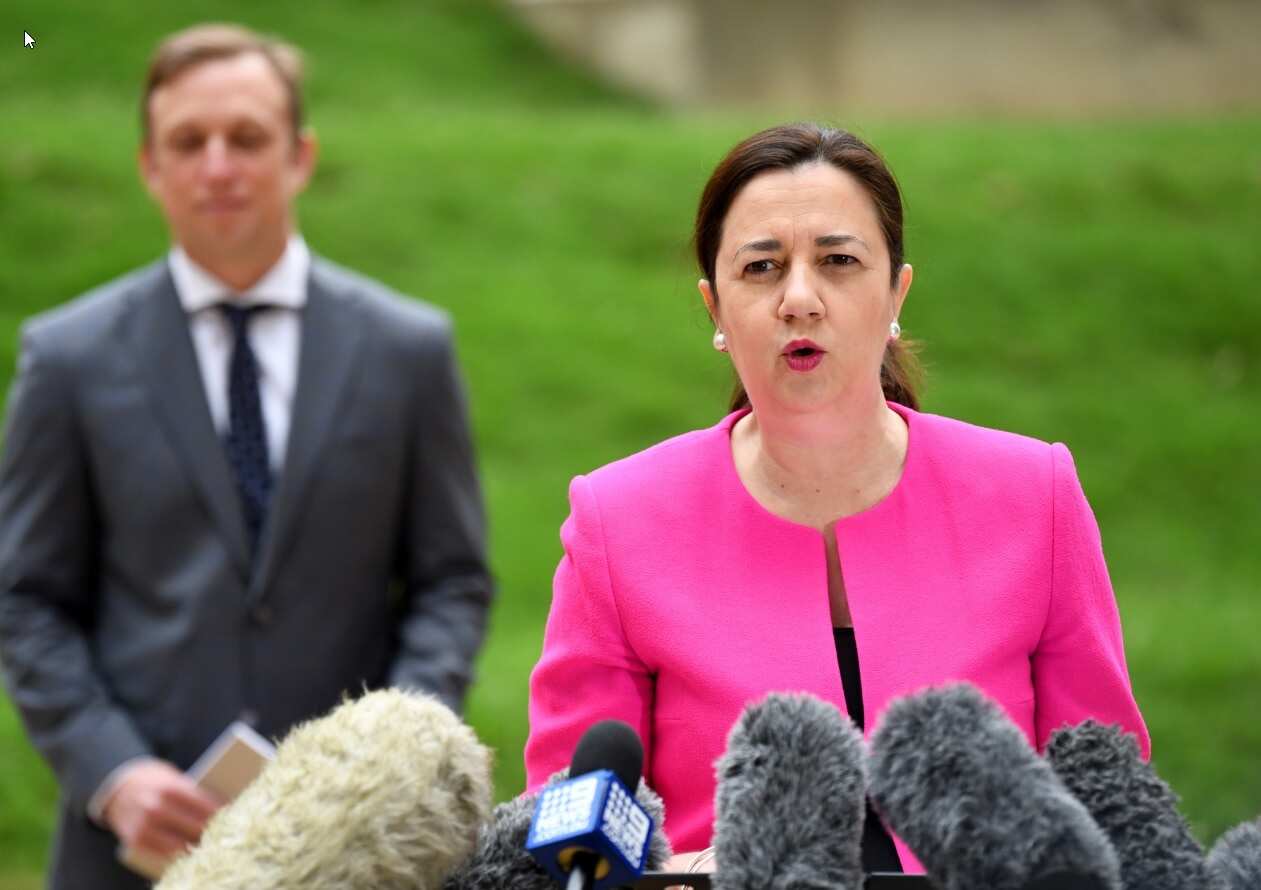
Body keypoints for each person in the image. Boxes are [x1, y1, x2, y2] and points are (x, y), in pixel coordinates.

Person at [524, 122, 1149, 873]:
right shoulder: (616, 522)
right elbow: (565, 849)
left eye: (838, 261)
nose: (798, 298)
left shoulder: (1033, 495)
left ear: (896, 293)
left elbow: (1114, 802)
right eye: (760, 268)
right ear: (715, 310)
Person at [0, 24, 492, 890]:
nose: (218, 165)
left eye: (247, 138)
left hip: (361, 855)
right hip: (137, 851)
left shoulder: (406, 349)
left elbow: (450, 582)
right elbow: (26, 599)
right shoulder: (68, 357)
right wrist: (112, 773)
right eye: (189, 142)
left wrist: (389, 765)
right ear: (150, 165)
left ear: (299, 156)